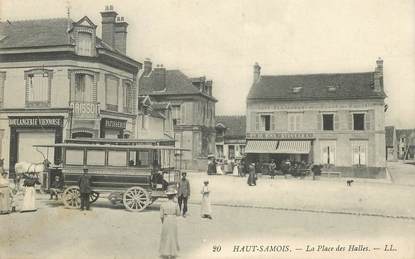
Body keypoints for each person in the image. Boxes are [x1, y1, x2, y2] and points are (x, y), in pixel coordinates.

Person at [159, 186, 180, 259]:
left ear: (167, 196)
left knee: (165, 236)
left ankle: (166, 252)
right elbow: (178, 214)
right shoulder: (176, 204)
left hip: (166, 219)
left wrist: (163, 222)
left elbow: (161, 216)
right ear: (174, 196)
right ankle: (172, 253)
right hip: (173, 220)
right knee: (173, 236)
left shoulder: (163, 204)